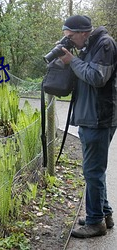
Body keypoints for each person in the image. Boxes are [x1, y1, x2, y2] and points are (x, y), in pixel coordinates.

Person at [59, 15, 117, 238]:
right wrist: (69, 59)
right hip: (89, 117)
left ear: (83, 32)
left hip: (99, 118)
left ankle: (95, 223)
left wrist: (72, 61)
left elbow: (96, 77)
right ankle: (104, 214)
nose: (70, 41)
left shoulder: (105, 44)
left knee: (92, 171)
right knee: (94, 171)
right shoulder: (88, 46)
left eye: (71, 37)